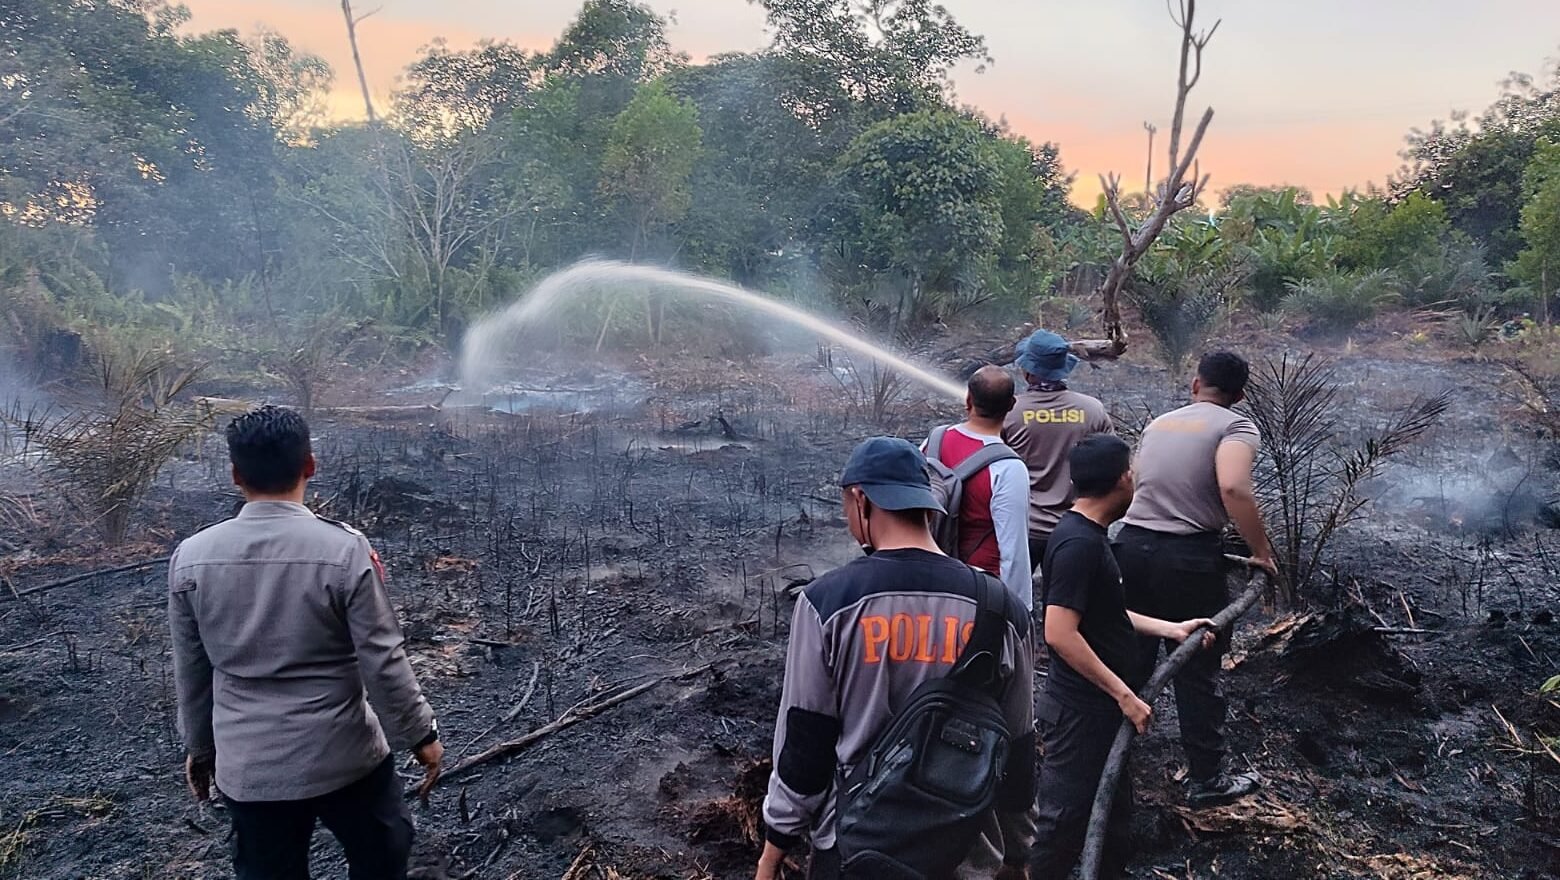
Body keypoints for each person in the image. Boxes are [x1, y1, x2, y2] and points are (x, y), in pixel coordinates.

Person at [169, 406, 442, 880]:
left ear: (236, 474)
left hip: (250, 770)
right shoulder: (343, 549)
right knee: (382, 855)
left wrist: (199, 748)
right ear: (310, 465)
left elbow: (192, 669)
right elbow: (383, 659)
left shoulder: (191, 558)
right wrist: (421, 737)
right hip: (347, 760)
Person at [757, 437, 1035, 880]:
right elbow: (1018, 746)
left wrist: (776, 844)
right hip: (964, 852)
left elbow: (806, 742)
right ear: (927, 507)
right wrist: (1019, 853)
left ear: (860, 500)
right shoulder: (1003, 609)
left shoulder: (828, 604)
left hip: (853, 848)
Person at [1033, 435, 1216, 879]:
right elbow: (1059, 633)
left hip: (1100, 710)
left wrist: (1171, 628)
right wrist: (1123, 695)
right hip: (1081, 711)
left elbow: (1107, 612)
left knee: (1114, 818)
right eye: (1131, 470)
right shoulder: (1078, 544)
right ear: (1121, 480)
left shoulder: (1090, 537)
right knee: (1062, 822)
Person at [1115, 351, 1275, 808]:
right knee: (1196, 667)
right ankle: (1208, 779)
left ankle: (1109, 759)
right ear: (1239, 395)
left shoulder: (1159, 423)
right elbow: (1233, 488)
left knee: (1131, 660)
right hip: (1187, 557)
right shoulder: (1236, 426)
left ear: (1194, 384)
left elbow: (1140, 482)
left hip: (1131, 547)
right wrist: (1262, 553)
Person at [1002, 329, 1114, 570]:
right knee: (1067, 603)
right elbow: (1111, 466)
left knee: (1017, 603)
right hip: (1077, 528)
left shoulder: (1008, 413)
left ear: (1027, 371)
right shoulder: (1093, 410)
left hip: (1024, 529)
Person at [923, 365, 1032, 607]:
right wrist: (1018, 611)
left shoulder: (934, 441)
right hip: (980, 590)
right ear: (1012, 404)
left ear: (968, 399)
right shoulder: (1008, 468)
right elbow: (1013, 552)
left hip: (929, 577)